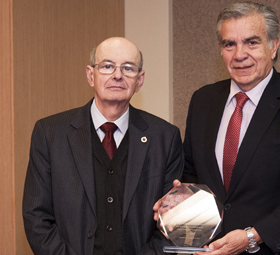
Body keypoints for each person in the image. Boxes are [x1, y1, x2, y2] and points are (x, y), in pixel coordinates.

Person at [154, 2, 280, 255]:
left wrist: (252, 236)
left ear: (274, 45)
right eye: (229, 44)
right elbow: (193, 175)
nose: (239, 54)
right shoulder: (203, 100)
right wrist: (176, 202)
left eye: (251, 43)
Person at [23, 37, 183, 255]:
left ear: (140, 79)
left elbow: (172, 223)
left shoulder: (165, 137)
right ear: (91, 75)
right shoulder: (50, 133)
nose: (117, 75)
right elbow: (36, 217)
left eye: (128, 68)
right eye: (107, 66)